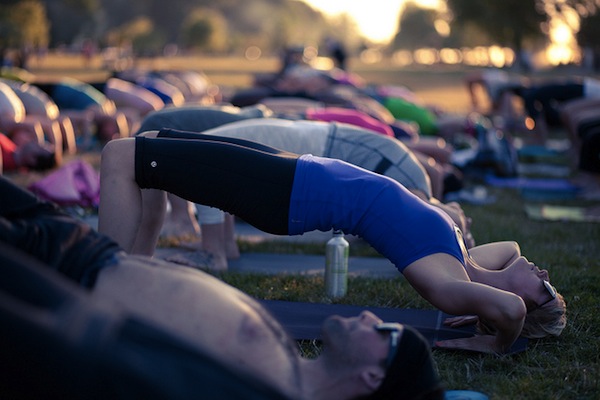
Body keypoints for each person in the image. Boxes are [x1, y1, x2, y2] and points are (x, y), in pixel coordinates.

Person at [98, 132, 566, 354]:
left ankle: (98, 282)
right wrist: (494, 298)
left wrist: (492, 344)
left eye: (543, 288)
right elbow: (509, 255)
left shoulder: (445, 279)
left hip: (285, 192)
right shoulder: (469, 263)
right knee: (146, 145)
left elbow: (512, 313)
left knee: (122, 156)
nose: (543, 274)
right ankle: (133, 279)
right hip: (296, 169)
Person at [0, 175, 443, 400]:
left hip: (61, 273)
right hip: (84, 247)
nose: (370, 316)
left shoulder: (258, 390)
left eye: (384, 331)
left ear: (372, 378)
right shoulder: (284, 362)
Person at [134, 107, 472, 270]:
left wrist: (213, 252)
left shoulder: (206, 146)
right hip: (363, 152)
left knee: (410, 213)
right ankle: (452, 221)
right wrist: (222, 246)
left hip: (373, 156)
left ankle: (454, 222)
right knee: (404, 214)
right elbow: (218, 187)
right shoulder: (221, 138)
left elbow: (208, 180)